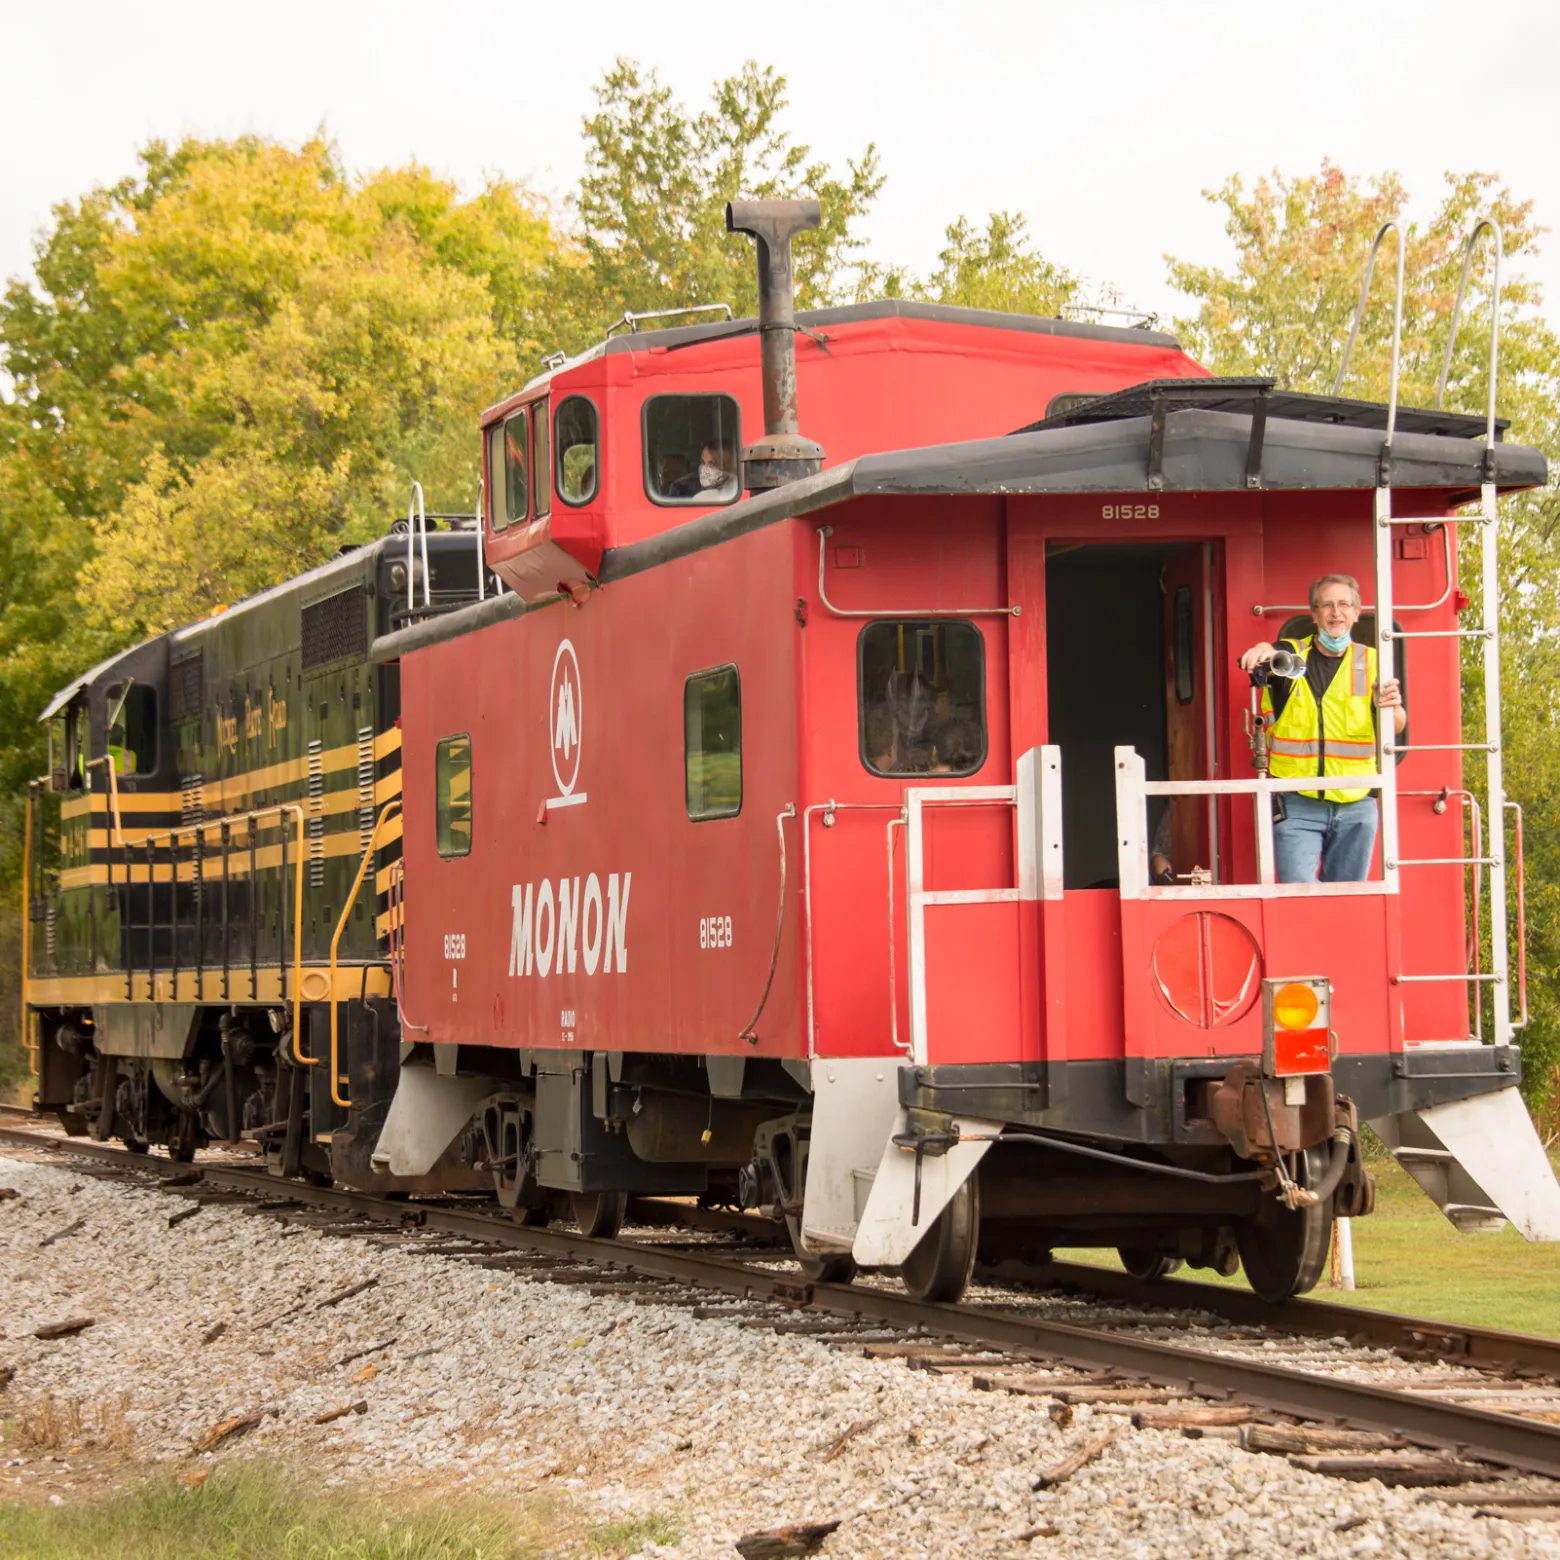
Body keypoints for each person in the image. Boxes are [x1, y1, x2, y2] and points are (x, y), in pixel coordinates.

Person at [1239, 573, 1406, 883]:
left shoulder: (1373, 661)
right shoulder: (1291, 656)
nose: (1335, 612)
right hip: (1298, 802)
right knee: (1297, 900)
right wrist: (1263, 648)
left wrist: (1393, 707)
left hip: (1358, 804)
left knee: (1347, 905)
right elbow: (1272, 649)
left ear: (1357, 613)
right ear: (1314, 614)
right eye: (1326, 604)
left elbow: (1397, 726)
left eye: (1344, 604)